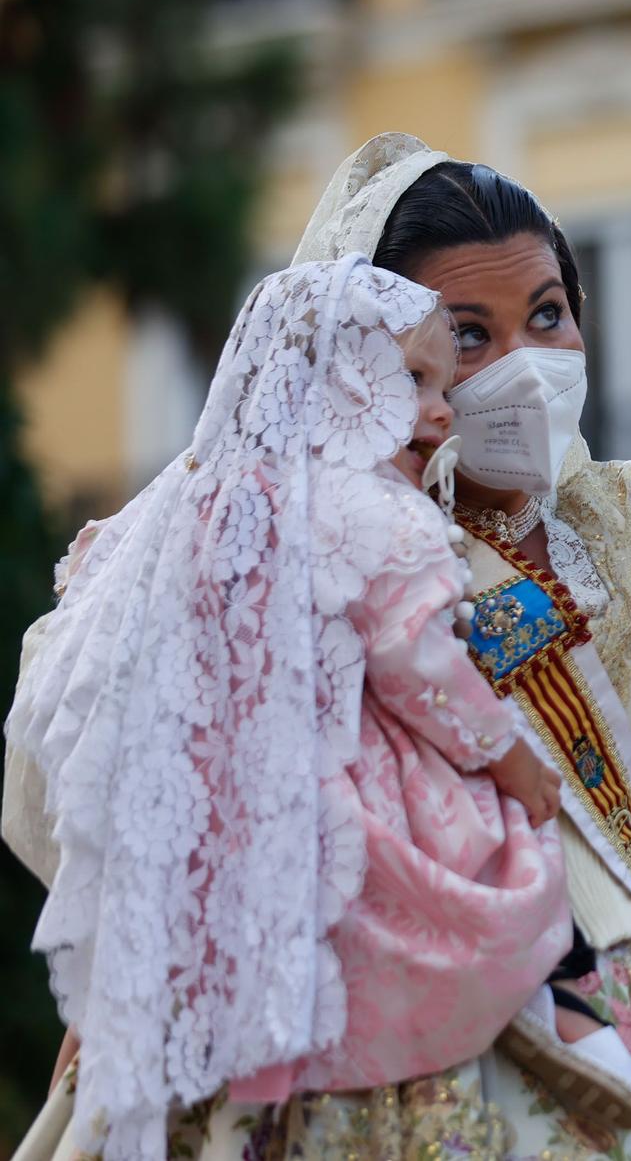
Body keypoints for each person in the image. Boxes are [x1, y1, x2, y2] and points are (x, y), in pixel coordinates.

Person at [6, 118, 631, 1159]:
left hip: (600, 996)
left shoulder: (622, 530)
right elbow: (68, 767)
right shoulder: (271, 537)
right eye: (468, 335)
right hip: (320, 1024)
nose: (521, 365)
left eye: (548, 314)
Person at [5, 259, 576, 1160]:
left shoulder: (215, 499)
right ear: (339, 385)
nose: (442, 408)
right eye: (413, 380)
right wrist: (508, 753)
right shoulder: (372, 511)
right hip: (340, 802)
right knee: (470, 897)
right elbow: (419, 662)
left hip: (231, 812)